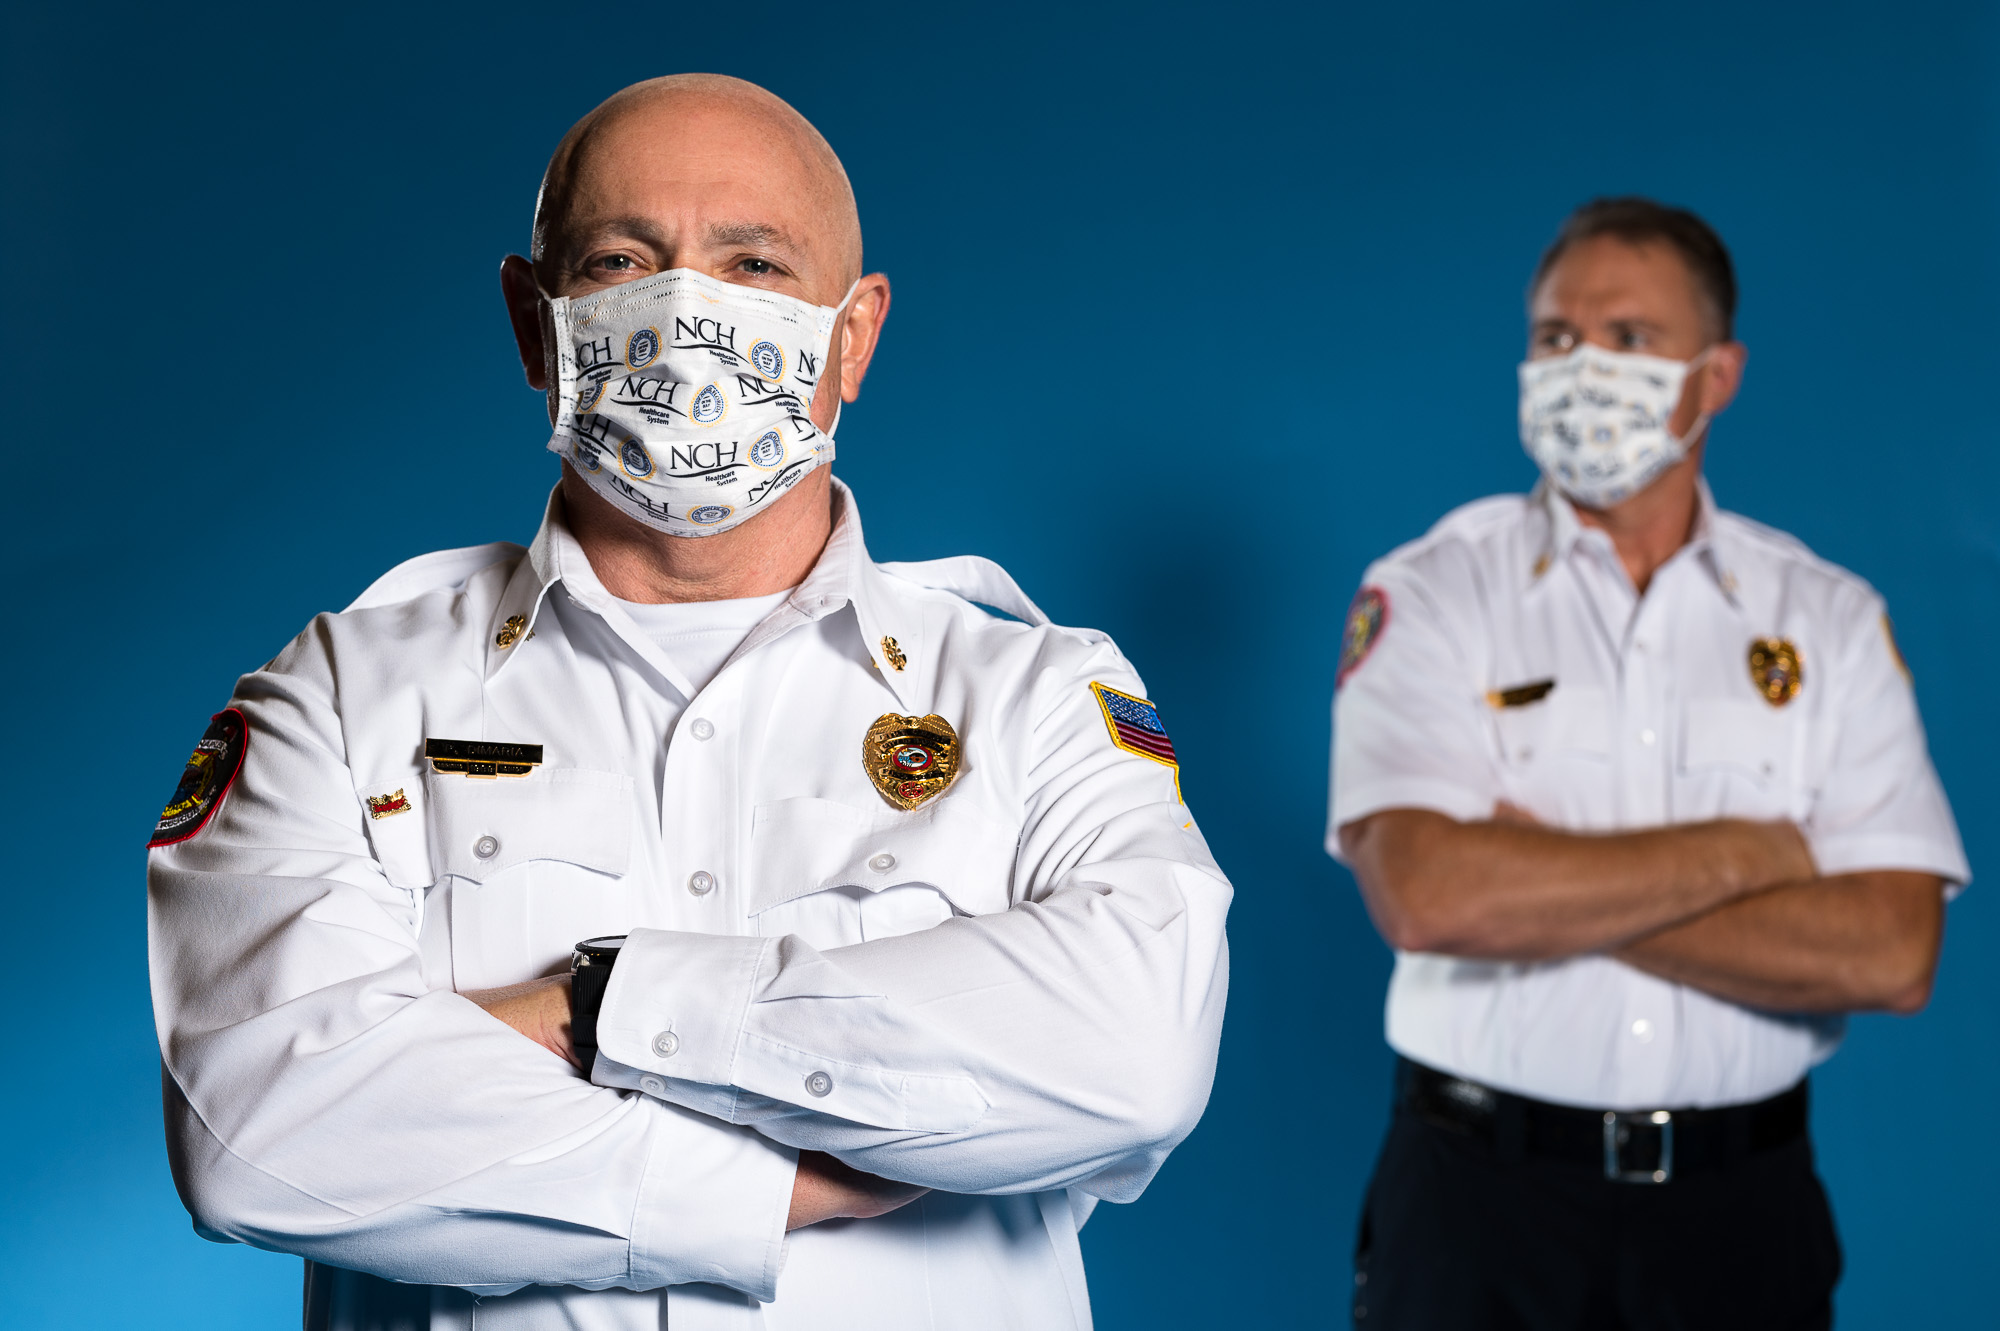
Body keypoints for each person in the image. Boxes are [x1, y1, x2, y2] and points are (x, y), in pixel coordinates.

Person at [147, 74, 1231, 1331]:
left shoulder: (1039, 693)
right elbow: (262, 1131)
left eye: (755, 264)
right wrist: (786, 1178)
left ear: (854, 337)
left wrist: (599, 1006)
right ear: (531, 320)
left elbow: (1129, 1055)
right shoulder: (339, 693)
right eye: (620, 257)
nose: (688, 314)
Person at [1328, 197, 1967, 1329]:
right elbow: (1427, 894)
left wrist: (1532, 876)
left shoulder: (1825, 619)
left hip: (1739, 1214)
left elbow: (1891, 950)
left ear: (1713, 377)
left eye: (1626, 338)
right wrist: (1752, 853)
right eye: (1552, 337)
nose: (1581, 368)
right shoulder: (1429, 590)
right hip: (1478, 1201)